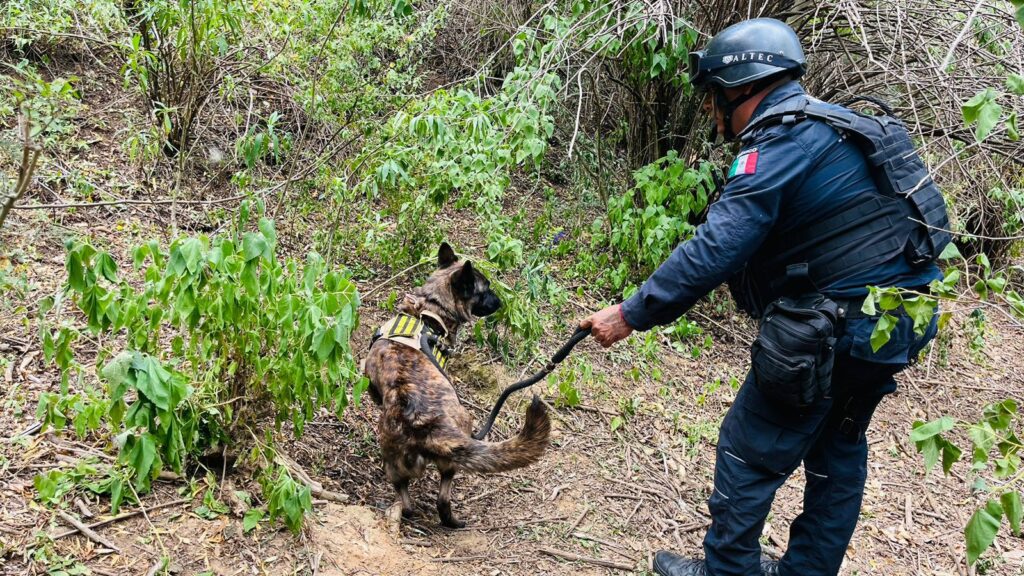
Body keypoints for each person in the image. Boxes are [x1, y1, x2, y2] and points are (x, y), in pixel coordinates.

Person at [580, 18, 941, 576]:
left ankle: (725, 571)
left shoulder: (780, 144)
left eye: (712, 97)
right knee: (836, 452)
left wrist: (630, 314)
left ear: (742, 86)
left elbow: (717, 246)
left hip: (832, 332)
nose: (709, 112)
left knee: (748, 449)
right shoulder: (840, 126)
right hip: (896, 327)